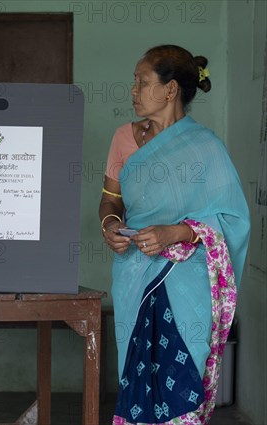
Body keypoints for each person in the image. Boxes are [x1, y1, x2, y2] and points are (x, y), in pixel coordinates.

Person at [99, 44, 250, 425]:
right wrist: (110, 226)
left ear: (169, 90)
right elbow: (109, 202)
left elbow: (231, 218)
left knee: (181, 385)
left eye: (142, 81)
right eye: (134, 82)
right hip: (135, 273)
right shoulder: (123, 138)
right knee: (138, 382)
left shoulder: (206, 148)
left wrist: (175, 232)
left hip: (187, 284)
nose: (132, 90)